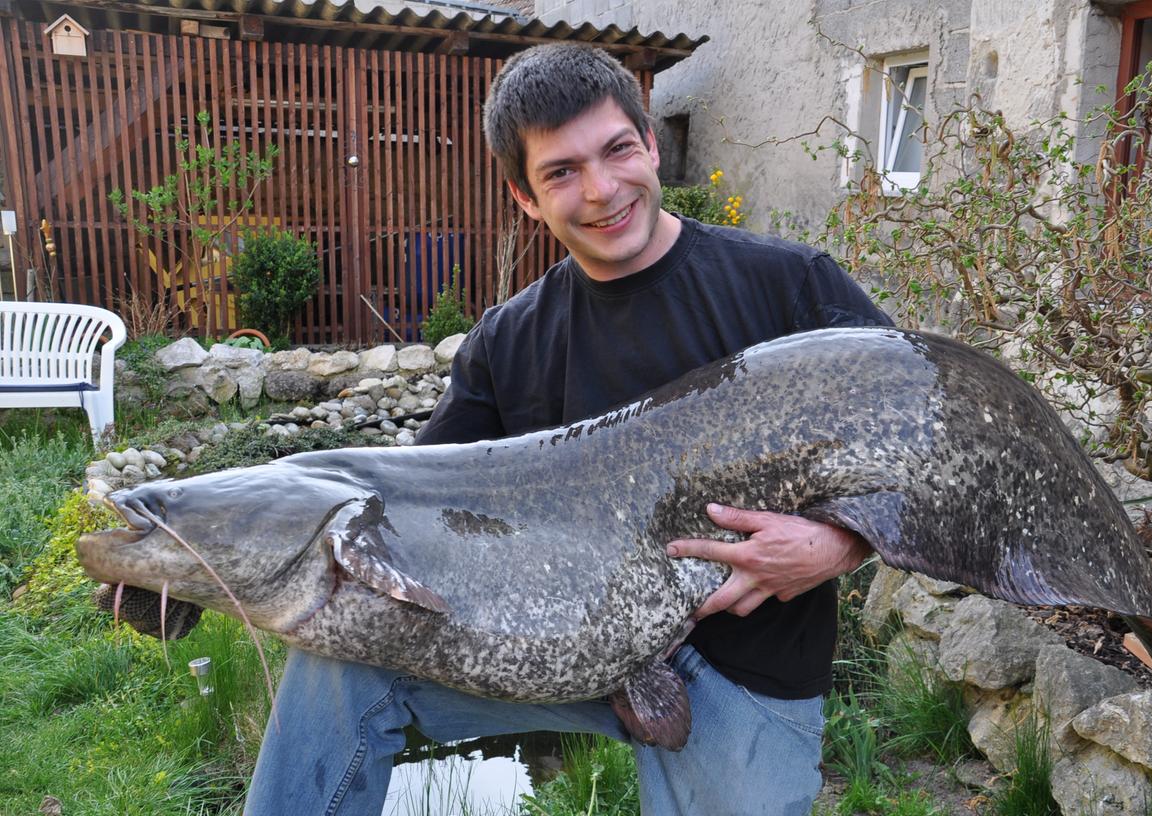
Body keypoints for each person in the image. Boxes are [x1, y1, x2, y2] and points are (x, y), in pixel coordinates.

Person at [245, 43, 892, 815]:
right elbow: (401, 514)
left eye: (617, 150)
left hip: (748, 667)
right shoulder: (507, 342)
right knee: (335, 665)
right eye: (560, 172)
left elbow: (919, 442)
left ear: (650, 143)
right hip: (558, 655)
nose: (601, 190)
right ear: (524, 196)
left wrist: (835, 547)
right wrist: (199, 558)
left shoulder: (789, 287)